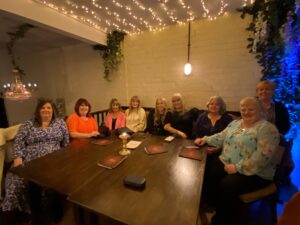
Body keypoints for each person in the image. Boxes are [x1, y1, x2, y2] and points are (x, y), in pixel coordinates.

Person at [194, 97, 280, 225]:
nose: (246, 112)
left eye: (251, 109)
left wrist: (237, 167)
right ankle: (212, 204)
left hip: (255, 172)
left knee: (227, 185)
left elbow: (262, 158)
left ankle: (223, 218)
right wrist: (205, 139)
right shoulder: (235, 124)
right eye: (243, 109)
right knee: (208, 170)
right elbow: (221, 136)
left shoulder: (268, 129)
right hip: (227, 161)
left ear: (260, 111)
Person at [1, 99, 69, 225]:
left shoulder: (60, 123)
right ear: (38, 110)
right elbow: (19, 142)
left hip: (54, 160)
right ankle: (15, 214)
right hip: (30, 160)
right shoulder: (28, 124)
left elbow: (66, 143)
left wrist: (65, 158)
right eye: (42, 108)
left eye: (49, 107)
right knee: (16, 181)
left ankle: (45, 212)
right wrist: (18, 158)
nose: (46, 110)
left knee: (50, 182)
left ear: (53, 110)